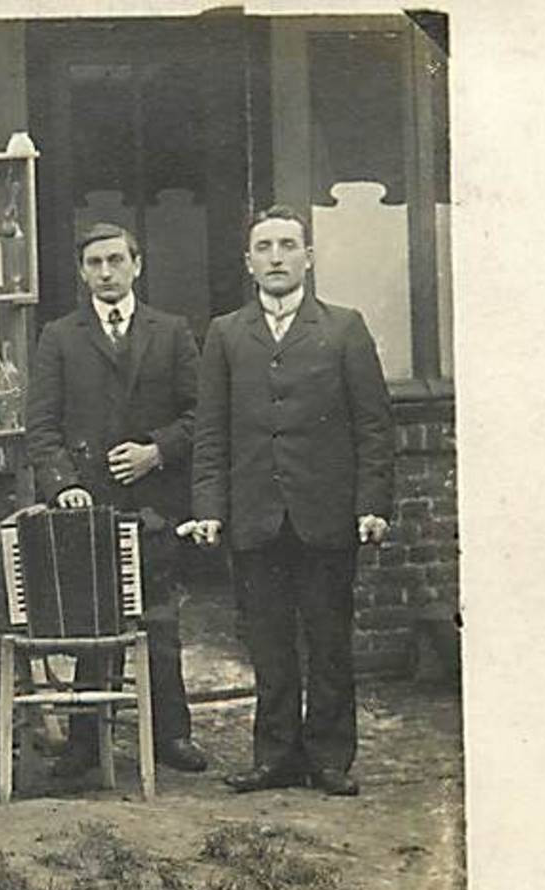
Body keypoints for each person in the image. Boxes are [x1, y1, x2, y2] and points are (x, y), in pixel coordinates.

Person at [184, 205, 395, 796]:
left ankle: (329, 758)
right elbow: (211, 431)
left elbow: (373, 426)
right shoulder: (226, 334)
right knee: (268, 642)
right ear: (248, 263)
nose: (276, 257)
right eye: (264, 248)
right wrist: (209, 508)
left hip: (325, 516)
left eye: (287, 246)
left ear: (308, 257)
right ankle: (275, 755)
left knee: (329, 640)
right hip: (255, 516)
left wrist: (371, 503)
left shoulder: (344, 328)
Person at [24, 222, 208, 779]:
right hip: (87, 507)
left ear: (136, 265)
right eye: (94, 264)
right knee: (90, 622)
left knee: (159, 621)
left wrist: (158, 450)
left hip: (155, 503)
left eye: (115, 261)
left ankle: (171, 734)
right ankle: (85, 741)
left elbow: (203, 416)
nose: (105, 273)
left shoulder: (172, 332)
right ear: (82, 273)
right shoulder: (59, 336)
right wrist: (64, 485)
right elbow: (41, 428)